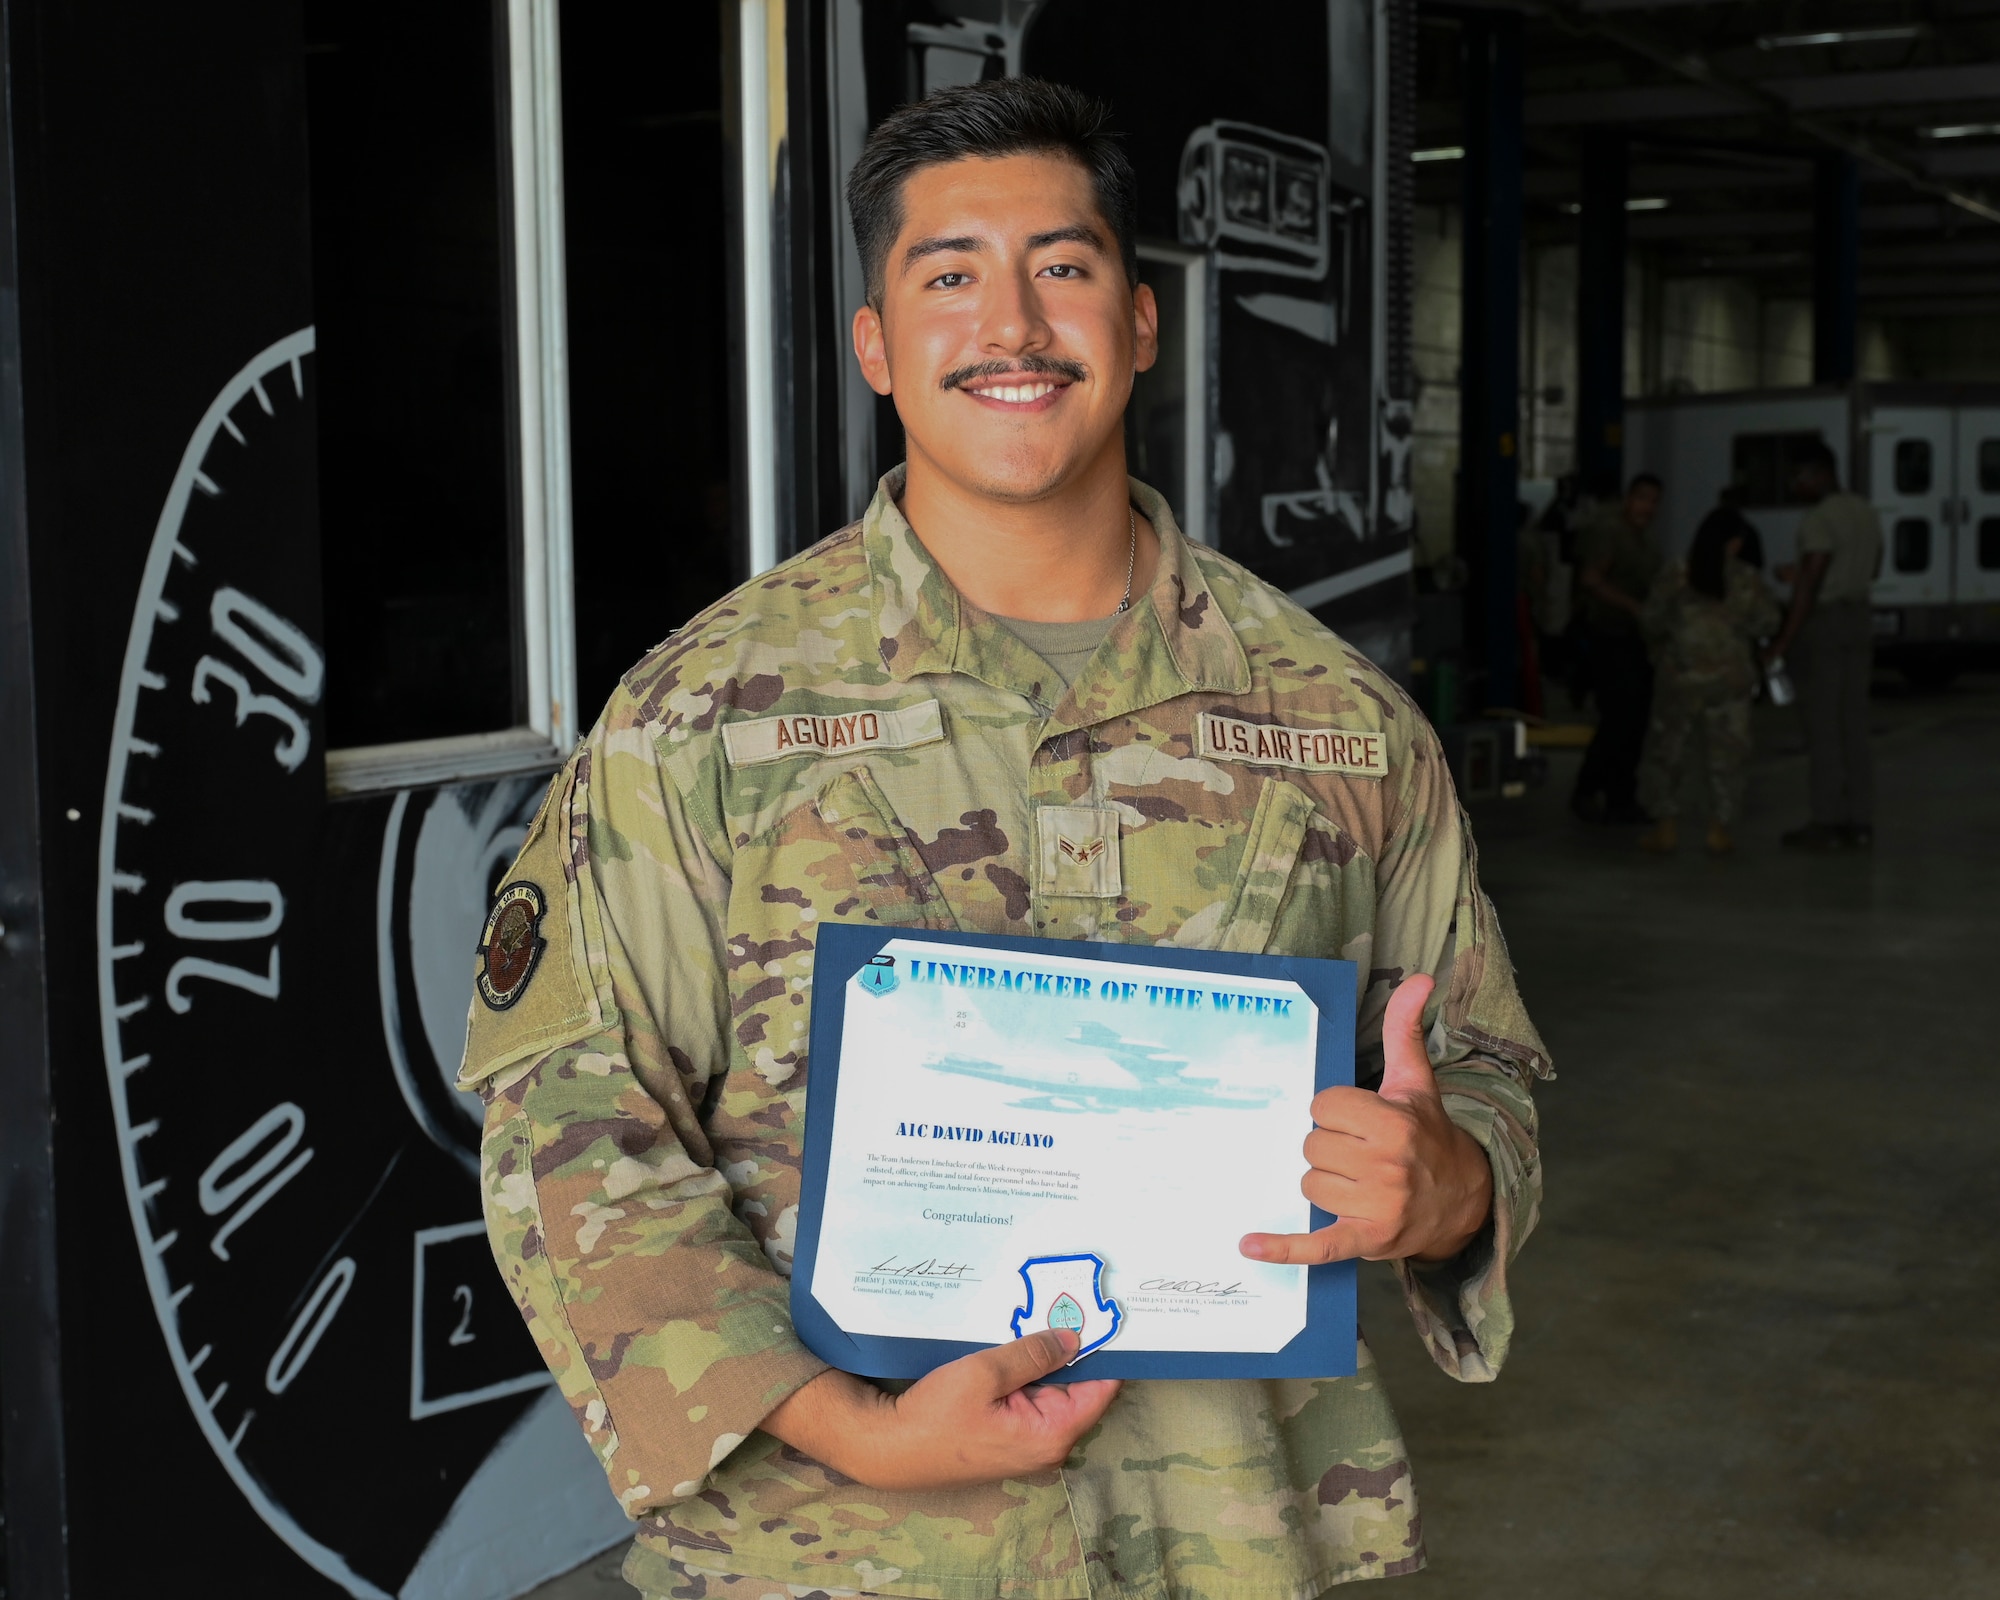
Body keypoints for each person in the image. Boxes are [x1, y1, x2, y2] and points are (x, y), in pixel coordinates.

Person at [459, 79, 1548, 1600]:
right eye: (950, 274)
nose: (1015, 324)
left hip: (1229, 1539)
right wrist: (846, 1424)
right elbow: (567, 1118)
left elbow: (1482, 1063)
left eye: (1065, 264)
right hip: (832, 1552)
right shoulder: (702, 717)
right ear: (877, 346)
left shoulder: (1340, 723)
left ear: (1142, 320)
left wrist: (1451, 1184)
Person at [1636, 495, 1780, 855]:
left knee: (1668, 752)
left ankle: (1665, 827)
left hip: (1679, 678)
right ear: (1733, 542)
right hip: (1729, 682)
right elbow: (1768, 621)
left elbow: (1651, 619)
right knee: (1727, 755)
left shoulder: (1677, 572)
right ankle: (1719, 828)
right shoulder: (1745, 578)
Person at [1765, 442, 1883, 851]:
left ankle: (1826, 822)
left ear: (1818, 475)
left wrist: (1782, 641)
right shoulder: (1865, 511)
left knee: (1823, 726)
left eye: (1798, 479)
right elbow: (1875, 566)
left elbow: (1811, 587)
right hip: (1860, 619)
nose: (1796, 488)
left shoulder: (1817, 520)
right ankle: (1861, 822)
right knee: (1854, 724)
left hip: (1827, 626)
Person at [1571, 472, 1665, 823]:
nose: (1647, 507)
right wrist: (1633, 606)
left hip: (1634, 638)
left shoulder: (1646, 541)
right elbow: (1591, 579)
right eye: (1642, 499)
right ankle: (1588, 788)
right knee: (1619, 715)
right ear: (1629, 499)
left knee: (1635, 718)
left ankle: (1620, 794)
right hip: (1608, 635)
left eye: (1654, 501)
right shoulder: (1610, 532)